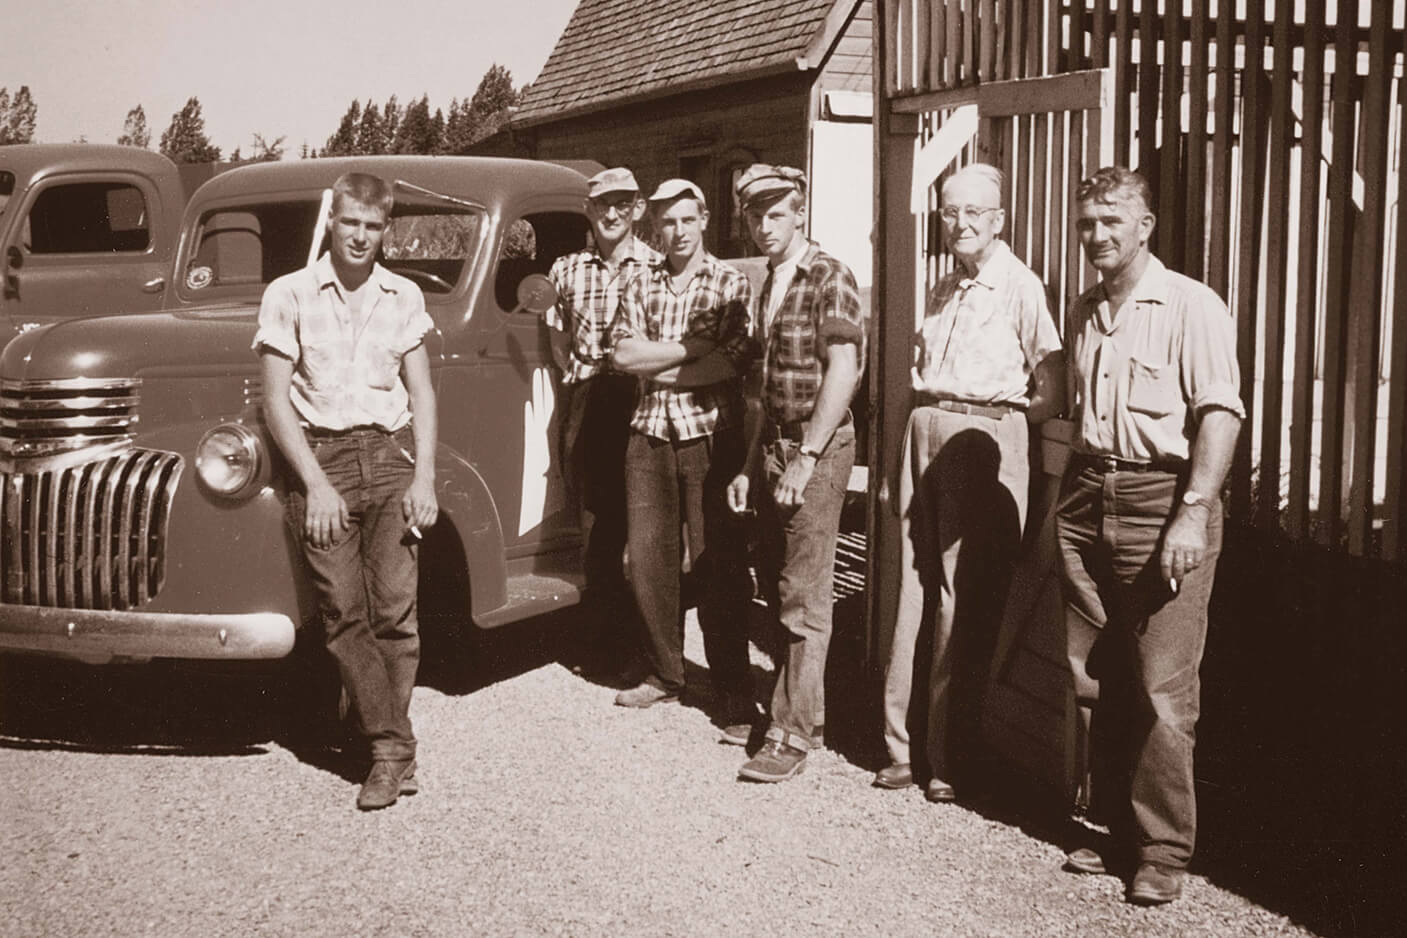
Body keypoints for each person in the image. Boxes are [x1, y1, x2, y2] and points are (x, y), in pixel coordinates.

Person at [1056, 166, 1243, 906]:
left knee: (1162, 684)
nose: (1097, 235)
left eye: (1112, 220)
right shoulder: (1085, 309)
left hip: (1161, 499)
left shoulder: (1191, 305)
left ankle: (1162, 849)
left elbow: (1219, 413)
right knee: (1096, 672)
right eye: (1087, 223)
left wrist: (1192, 510)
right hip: (1087, 493)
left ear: (1145, 226)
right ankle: (1110, 824)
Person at [876, 163, 1065, 802]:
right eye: (950, 212)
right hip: (926, 430)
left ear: (999, 220)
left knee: (964, 598)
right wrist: (898, 461)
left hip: (983, 436)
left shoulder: (1020, 287)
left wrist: (999, 425)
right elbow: (918, 377)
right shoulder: (944, 286)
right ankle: (900, 746)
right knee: (913, 590)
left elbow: (1051, 388)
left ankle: (947, 756)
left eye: (974, 213)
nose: (960, 224)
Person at [255, 172, 439, 811]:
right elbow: (274, 400)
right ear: (330, 221)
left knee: (396, 614)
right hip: (322, 460)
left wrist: (424, 477)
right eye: (350, 222)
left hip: (391, 459)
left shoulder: (403, 294)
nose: (360, 236)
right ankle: (393, 748)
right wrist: (315, 484)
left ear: (385, 229)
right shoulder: (290, 293)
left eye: (373, 225)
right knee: (343, 614)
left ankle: (383, 746)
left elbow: (421, 392)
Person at [724, 165, 867, 783]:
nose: (765, 225)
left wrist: (806, 458)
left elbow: (845, 371)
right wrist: (747, 463)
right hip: (775, 446)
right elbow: (763, 386)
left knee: (804, 596)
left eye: (776, 213)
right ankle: (801, 711)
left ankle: (792, 733)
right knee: (779, 584)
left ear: (800, 212)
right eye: (756, 214)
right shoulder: (771, 281)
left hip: (818, 446)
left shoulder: (829, 275)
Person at [608, 179, 757, 726]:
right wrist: (691, 349)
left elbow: (731, 360)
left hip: (709, 437)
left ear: (705, 220)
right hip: (648, 434)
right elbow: (622, 354)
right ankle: (666, 674)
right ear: (656, 226)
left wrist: (662, 366)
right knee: (649, 563)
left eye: (687, 220)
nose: (678, 232)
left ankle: (733, 687)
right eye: (668, 222)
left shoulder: (729, 282)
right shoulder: (639, 281)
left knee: (719, 564)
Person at [547, 167, 659, 679]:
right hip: (589, 397)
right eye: (601, 205)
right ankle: (604, 644)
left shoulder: (657, 267)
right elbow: (558, 340)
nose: (611, 214)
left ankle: (646, 647)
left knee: (644, 523)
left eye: (622, 204)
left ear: (638, 208)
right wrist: (581, 377)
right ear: (588, 211)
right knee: (595, 523)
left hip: (641, 399)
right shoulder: (567, 270)